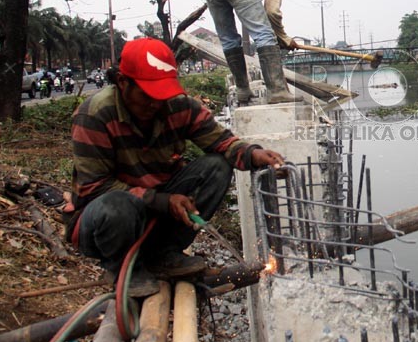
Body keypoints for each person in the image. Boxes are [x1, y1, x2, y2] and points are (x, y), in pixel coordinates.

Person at [64, 38, 287, 297]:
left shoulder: (177, 106)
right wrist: (162, 201)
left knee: (216, 167)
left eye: (161, 96)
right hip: (109, 221)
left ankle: (164, 253)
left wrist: (253, 154)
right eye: (147, 95)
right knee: (117, 206)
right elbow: (95, 188)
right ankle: (124, 268)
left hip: (156, 212)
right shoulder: (95, 115)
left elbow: (221, 142)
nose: (154, 104)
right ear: (123, 83)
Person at [202, 0, 302, 105]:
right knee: (264, 34)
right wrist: (283, 38)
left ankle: (242, 90)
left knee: (228, 39)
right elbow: (272, 11)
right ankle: (277, 91)